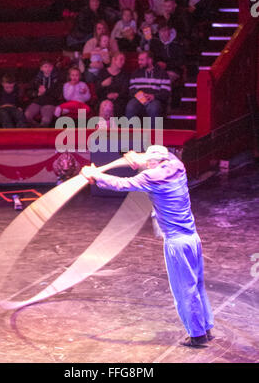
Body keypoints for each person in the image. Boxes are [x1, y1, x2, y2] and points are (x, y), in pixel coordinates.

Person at [81, 144, 215, 347]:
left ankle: (196, 335)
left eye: (149, 164)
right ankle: (205, 328)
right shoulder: (178, 166)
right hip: (193, 239)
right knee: (197, 285)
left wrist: (95, 175)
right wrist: (139, 159)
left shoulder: (150, 178)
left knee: (183, 289)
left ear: (153, 164)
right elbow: (163, 157)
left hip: (176, 243)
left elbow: (121, 184)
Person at [125, 50, 171, 127]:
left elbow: (166, 92)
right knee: (130, 107)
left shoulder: (162, 73)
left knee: (154, 108)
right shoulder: (135, 73)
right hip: (139, 98)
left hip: (154, 99)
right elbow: (131, 90)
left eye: (142, 60)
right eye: (139, 60)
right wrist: (141, 96)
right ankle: (129, 135)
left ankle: (153, 136)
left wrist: (154, 96)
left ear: (150, 60)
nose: (139, 62)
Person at [25, 59, 63, 127]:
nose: (48, 68)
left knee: (46, 120)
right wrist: (37, 93)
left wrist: (46, 91)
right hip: (37, 101)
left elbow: (58, 94)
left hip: (49, 102)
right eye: (45, 66)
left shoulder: (57, 79)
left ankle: (41, 132)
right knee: (26, 116)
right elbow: (28, 92)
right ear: (41, 68)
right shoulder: (36, 79)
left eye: (50, 66)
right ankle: (37, 128)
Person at [96, 51, 129, 118]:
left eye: (124, 60)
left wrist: (117, 95)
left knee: (112, 106)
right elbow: (97, 91)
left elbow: (126, 91)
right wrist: (103, 84)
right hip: (104, 99)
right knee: (105, 105)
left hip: (119, 101)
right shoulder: (103, 72)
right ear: (114, 59)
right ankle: (104, 127)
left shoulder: (125, 75)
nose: (123, 62)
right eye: (121, 59)